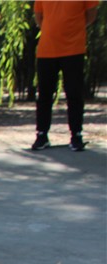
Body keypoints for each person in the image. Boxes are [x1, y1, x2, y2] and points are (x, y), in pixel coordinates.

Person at [31, 0, 99, 151]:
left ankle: (76, 135)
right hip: (47, 49)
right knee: (44, 94)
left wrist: (73, 30)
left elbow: (92, 15)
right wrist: (51, 31)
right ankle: (42, 135)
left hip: (73, 49)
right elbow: (39, 16)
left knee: (74, 94)